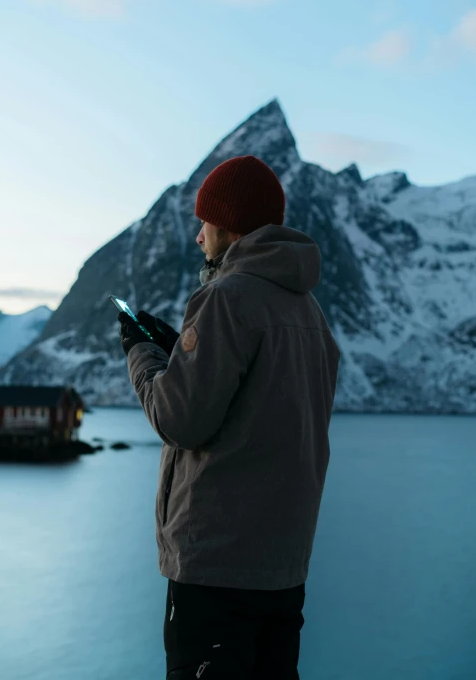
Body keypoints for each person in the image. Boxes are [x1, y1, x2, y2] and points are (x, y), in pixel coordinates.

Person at [118, 154, 341, 679]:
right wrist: (184, 355)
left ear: (230, 224)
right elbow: (257, 405)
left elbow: (181, 420)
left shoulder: (226, 298)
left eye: (205, 221)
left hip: (216, 566)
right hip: (282, 570)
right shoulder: (309, 312)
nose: (199, 236)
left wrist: (141, 354)